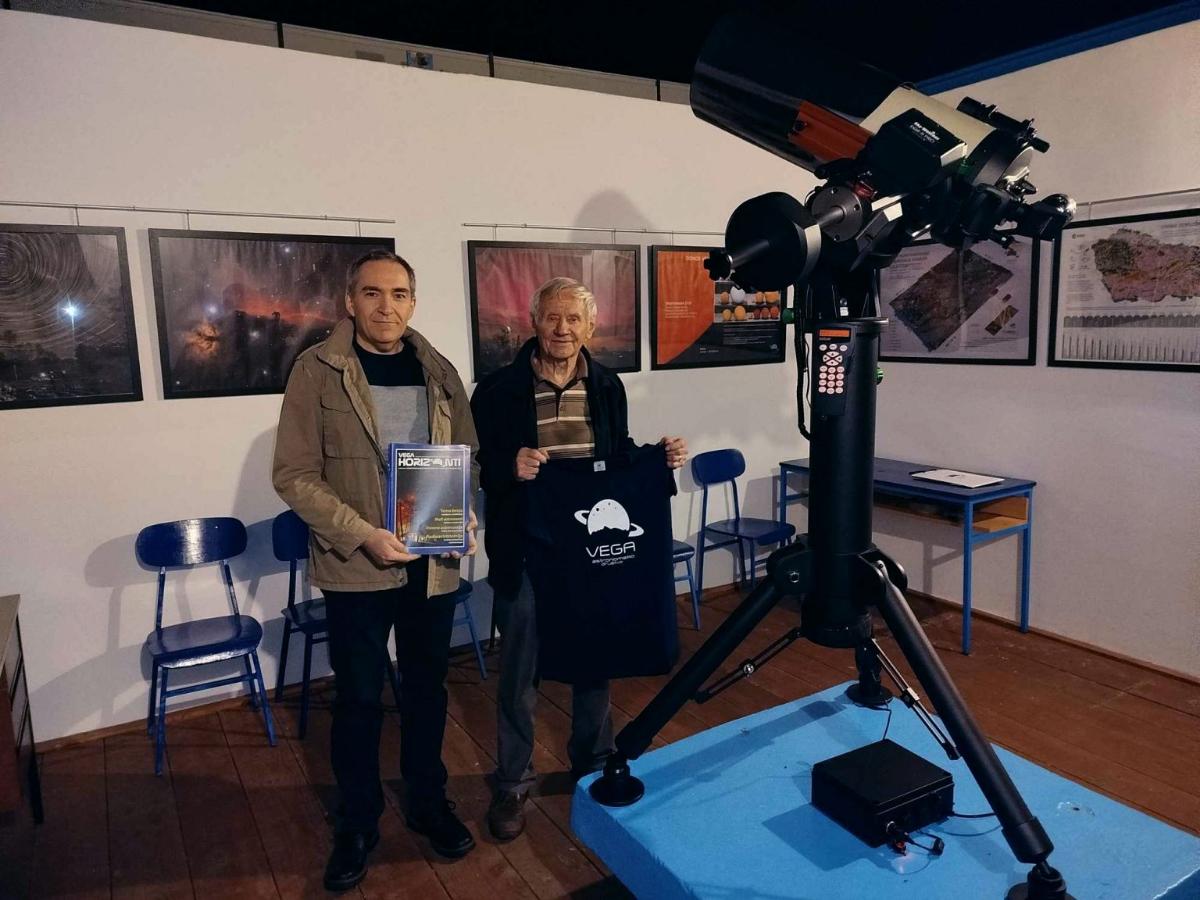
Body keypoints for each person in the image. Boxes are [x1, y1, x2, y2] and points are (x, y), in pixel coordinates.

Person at [272, 248, 480, 892]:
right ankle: (358, 822)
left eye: (398, 294)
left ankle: (427, 801)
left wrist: (465, 512)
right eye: (371, 293)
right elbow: (294, 475)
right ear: (349, 301)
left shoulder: (439, 370)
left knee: (426, 689)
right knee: (360, 698)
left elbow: (465, 455)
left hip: (432, 564)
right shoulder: (316, 371)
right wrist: (363, 534)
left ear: (412, 302)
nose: (385, 306)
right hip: (357, 564)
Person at [471, 276, 687, 841]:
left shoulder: (608, 386)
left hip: (587, 552)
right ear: (533, 321)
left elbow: (617, 455)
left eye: (574, 319)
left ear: (590, 327)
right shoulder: (496, 390)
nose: (562, 329)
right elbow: (476, 464)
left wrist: (658, 458)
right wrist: (506, 467)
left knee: (595, 656)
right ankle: (513, 780)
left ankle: (592, 761)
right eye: (552, 317)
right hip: (526, 547)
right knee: (520, 670)